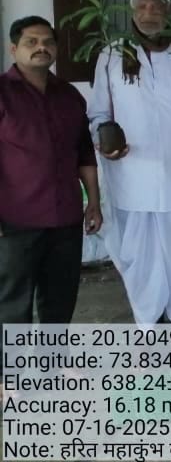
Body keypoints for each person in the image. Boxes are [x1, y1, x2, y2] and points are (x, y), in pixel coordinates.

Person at [89, 0, 171, 327]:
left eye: (156, 6)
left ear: (168, 10)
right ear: (132, 11)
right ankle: (148, 323)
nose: (149, 13)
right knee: (137, 256)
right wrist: (104, 139)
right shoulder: (112, 54)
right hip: (130, 175)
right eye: (142, 6)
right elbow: (98, 112)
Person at [0, 16, 102, 324]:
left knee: (59, 304)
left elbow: (84, 153)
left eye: (47, 42)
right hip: (15, 222)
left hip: (65, 219)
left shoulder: (69, 96)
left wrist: (94, 202)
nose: (41, 48)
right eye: (31, 42)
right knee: (12, 305)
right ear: (14, 49)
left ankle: (52, 357)